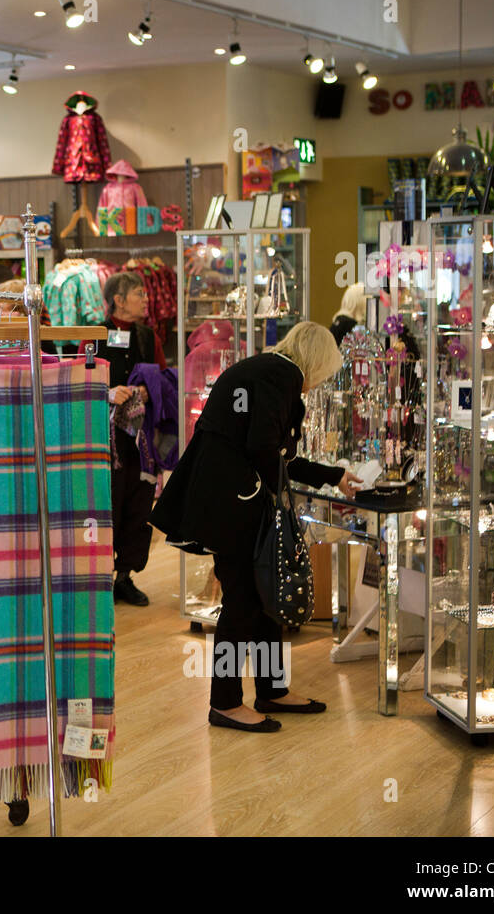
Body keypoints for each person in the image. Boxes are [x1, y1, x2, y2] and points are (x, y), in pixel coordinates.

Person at [151, 322, 359, 732]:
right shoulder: (279, 377)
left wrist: (332, 475)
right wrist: (282, 500)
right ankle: (225, 703)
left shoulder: (267, 371)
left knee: (262, 601)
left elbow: (272, 453)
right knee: (243, 602)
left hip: (227, 500)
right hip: (231, 507)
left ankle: (272, 689)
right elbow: (265, 450)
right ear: (316, 363)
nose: (316, 385)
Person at [100, 271, 156, 606]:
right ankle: (101, 576)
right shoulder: (93, 334)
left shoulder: (149, 336)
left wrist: (151, 391)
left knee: (139, 503)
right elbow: (79, 378)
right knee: (107, 503)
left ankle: (125, 576)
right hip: (104, 438)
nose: (146, 299)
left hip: (141, 440)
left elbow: (162, 376)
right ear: (119, 300)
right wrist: (106, 392)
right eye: (139, 293)